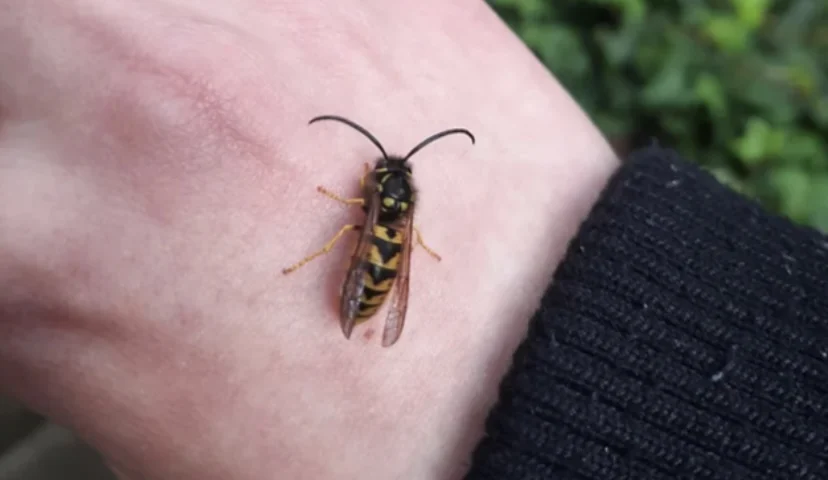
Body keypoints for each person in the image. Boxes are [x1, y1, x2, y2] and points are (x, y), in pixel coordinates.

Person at [0, 1, 824, 479]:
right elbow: (389, 233)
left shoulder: (373, 209)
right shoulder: (393, 207)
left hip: (395, 317)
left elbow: (367, 232)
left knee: (358, 248)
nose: (378, 194)